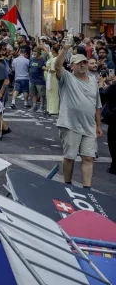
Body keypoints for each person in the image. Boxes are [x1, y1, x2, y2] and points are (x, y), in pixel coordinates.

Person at [55, 41, 102, 189]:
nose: (82, 65)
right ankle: (67, 185)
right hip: (70, 124)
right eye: (79, 63)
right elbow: (57, 66)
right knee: (70, 157)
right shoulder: (67, 78)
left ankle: (87, 190)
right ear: (72, 66)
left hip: (89, 126)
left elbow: (97, 105)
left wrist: (99, 125)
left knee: (88, 157)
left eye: (84, 63)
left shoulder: (93, 81)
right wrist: (64, 50)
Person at [45, 43, 61, 117]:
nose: (50, 51)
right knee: (49, 93)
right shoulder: (52, 57)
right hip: (49, 77)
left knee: (53, 93)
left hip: (53, 78)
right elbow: (47, 51)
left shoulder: (55, 59)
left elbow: (53, 70)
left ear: (54, 51)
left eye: (52, 50)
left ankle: (54, 109)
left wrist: (45, 68)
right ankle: (49, 108)